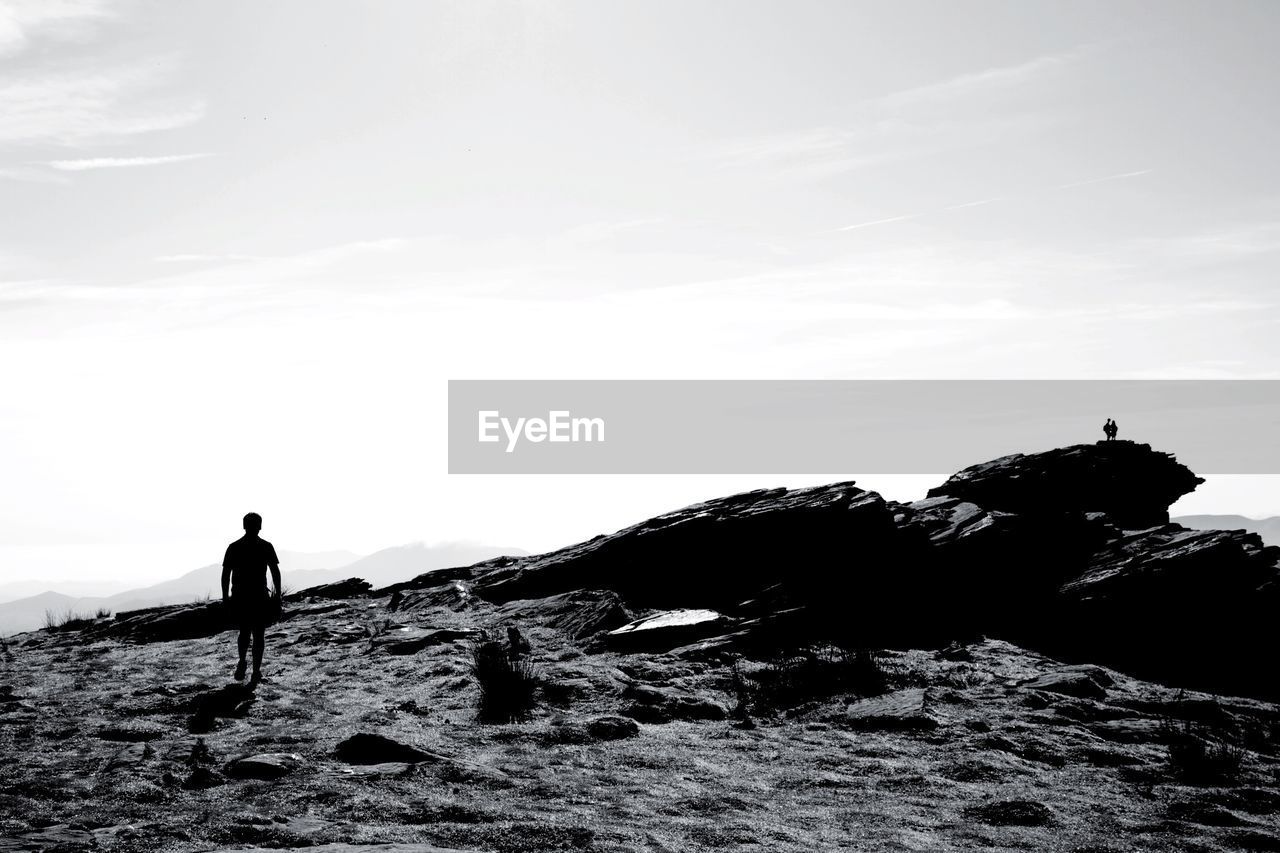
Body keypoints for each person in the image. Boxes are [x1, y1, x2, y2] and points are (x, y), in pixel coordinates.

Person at [221, 512, 282, 684]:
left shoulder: (234, 547)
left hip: (241, 596)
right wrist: (277, 594)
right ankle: (256, 671)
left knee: (244, 631)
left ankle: (242, 661)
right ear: (260, 526)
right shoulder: (266, 546)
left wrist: (225, 597)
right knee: (259, 634)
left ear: (244, 525)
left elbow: (226, 574)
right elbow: (275, 572)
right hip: (259, 596)